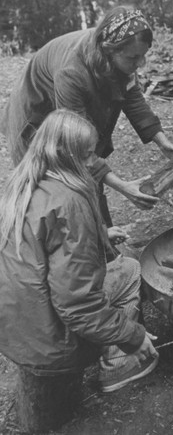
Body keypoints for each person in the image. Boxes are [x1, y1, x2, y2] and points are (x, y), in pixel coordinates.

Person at [0, 110, 158, 393]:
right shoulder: (70, 202)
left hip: (15, 328)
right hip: (51, 341)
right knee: (131, 268)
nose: (92, 162)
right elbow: (76, 303)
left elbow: (43, 245)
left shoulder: (26, 182)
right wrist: (133, 336)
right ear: (64, 154)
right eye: (86, 155)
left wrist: (99, 235)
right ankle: (117, 366)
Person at [0, 5, 173, 226]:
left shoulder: (115, 55)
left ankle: (103, 240)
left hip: (70, 113)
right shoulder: (72, 72)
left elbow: (132, 96)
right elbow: (75, 145)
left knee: (89, 177)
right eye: (134, 57)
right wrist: (123, 186)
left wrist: (161, 140)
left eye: (143, 56)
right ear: (109, 49)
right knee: (51, 190)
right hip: (36, 117)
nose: (140, 64)